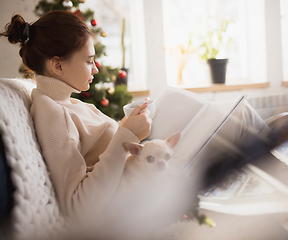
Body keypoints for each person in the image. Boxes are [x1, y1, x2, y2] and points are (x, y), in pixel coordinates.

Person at [1, 10, 268, 237]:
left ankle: (285, 188)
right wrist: (126, 133)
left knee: (233, 113)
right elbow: (77, 206)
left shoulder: (68, 103)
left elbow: (100, 150)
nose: (95, 69)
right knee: (241, 117)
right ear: (57, 66)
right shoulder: (52, 113)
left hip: (150, 162)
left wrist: (128, 125)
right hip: (150, 180)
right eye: (89, 61)